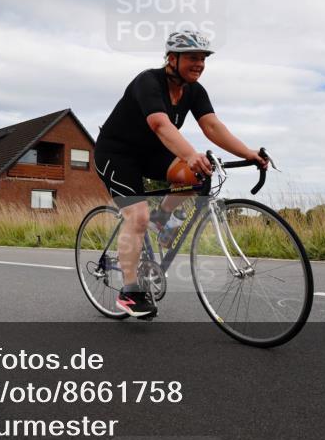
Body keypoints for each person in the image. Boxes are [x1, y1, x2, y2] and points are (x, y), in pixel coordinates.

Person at [94, 30, 268, 318]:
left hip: (151, 154)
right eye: (192, 57)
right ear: (172, 58)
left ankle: (161, 220)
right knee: (137, 216)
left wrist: (247, 153)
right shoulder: (148, 81)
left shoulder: (195, 91)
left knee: (199, 177)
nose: (199, 64)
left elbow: (212, 127)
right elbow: (160, 125)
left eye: (203, 58)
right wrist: (189, 154)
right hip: (117, 154)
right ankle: (129, 291)